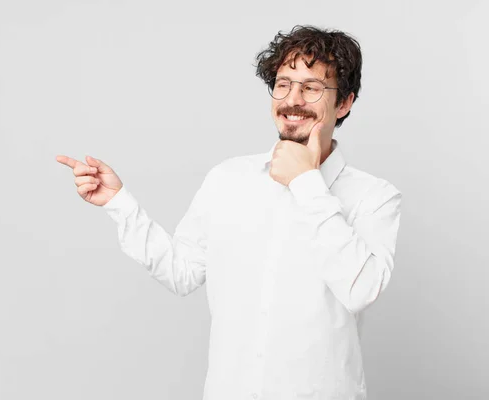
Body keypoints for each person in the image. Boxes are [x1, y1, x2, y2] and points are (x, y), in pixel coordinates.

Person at [56, 25, 402, 400]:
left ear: (345, 103)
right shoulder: (227, 178)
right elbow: (181, 273)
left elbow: (360, 289)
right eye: (283, 84)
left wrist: (306, 181)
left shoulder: (376, 197)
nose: (292, 99)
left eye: (311, 87)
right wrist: (118, 202)